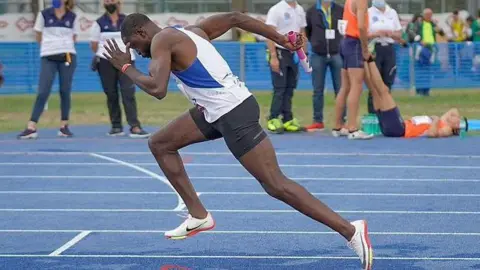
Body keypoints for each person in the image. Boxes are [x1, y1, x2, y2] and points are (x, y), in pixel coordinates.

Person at [103, 11, 373, 270]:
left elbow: (157, 88)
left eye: (131, 44)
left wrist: (124, 66)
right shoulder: (192, 31)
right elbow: (235, 18)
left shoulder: (162, 39)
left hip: (233, 113)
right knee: (160, 144)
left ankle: (350, 230)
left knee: (276, 185)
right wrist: (279, 38)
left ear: (140, 31)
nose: (134, 51)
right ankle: (199, 216)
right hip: (215, 112)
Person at [18, 0, 77, 139]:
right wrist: (50, 46)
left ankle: (64, 126)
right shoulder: (44, 14)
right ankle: (31, 126)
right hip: (48, 56)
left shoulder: (72, 16)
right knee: (43, 90)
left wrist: (64, 46)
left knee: (65, 90)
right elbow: (38, 35)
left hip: (67, 55)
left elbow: (74, 37)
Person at [90, 0, 150, 138]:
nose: (109, 3)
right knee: (111, 94)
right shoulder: (98, 23)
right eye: (106, 1)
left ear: (118, 2)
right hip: (106, 62)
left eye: (112, 0)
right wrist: (105, 55)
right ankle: (116, 126)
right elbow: (94, 45)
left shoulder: (127, 21)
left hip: (126, 60)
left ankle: (135, 126)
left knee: (128, 92)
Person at [364, 56, 461, 138]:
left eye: (458, 120)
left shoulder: (447, 129)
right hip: (393, 128)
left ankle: (368, 58)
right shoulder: (442, 122)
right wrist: (440, 119)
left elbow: (432, 134)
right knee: (374, 91)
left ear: (456, 127)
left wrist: (435, 120)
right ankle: (364, 61)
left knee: (383, 91)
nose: (456, 118)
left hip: (400, 129)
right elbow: (454, 110)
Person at [265, 0, 307, 134]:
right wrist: (273, 56)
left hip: (293, 53)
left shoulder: (300, 9)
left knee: (290, 87)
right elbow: (269, 33)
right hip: (279, 51)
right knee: (280, 88)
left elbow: (301, 32)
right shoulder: (276, 9)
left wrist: (302, 54)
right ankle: (273, 118)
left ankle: (287, 118)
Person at [332, 0, 373, 139]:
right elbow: (361, 26)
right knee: (356, 86)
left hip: (345, 42)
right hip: (354, 43)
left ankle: (337, 126)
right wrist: (365, 49)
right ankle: (352, 128)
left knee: (345, 87)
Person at [305, 0, 345, 131]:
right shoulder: (311, 11)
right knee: (317, 90)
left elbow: (345, 29)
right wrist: (317, 43)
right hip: (318, 55)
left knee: (340, 89)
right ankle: (318, 121)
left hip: (336, 53)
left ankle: (341, 121)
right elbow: (308, 32)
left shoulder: (340, 10)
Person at [366, 0, 402, 114]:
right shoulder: (368, 12)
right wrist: (377, 33)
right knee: (375, 83)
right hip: (375, 48)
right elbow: (364, 33)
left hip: (389, 49)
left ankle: (387, 113)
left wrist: (390, 34)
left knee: (388, 82)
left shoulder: (392, 13)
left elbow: (399, 34)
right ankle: (373, 114)